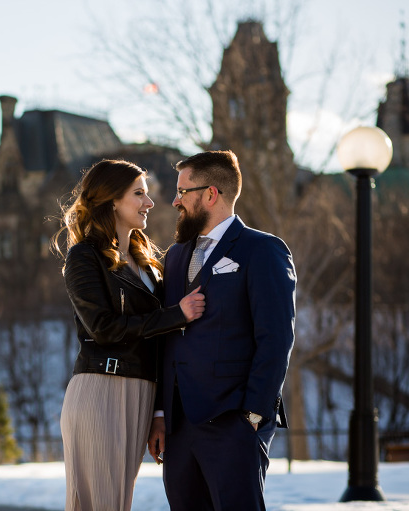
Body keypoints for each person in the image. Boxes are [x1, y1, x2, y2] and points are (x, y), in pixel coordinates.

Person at [147, 150, 295, 511]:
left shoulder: (263, 250)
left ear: (211, 194)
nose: (175, 200)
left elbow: (276, 340)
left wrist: (253, 417)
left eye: (183, 191)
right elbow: (168, 337)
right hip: (179, 430)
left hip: (234, 424)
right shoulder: (178, 255)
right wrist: (161, 413)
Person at [55, 159, 206, 511]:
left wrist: (157, 413)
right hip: (101, 390)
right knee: (99, 504)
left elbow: (157, 345)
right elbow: (104, 329)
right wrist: (176, 315)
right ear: (111, 201)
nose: (149, 203)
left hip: (141, 393)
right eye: (139, 194)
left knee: (118, 503)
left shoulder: (147, 262)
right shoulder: (84, 257)